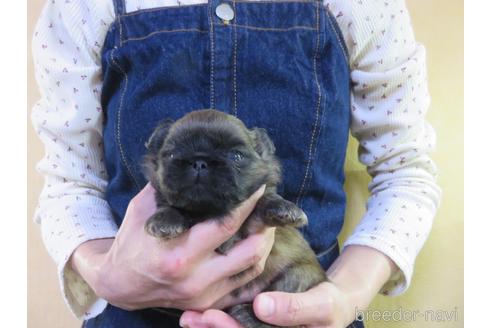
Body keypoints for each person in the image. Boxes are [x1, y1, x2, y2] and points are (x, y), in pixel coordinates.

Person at [31, 0, 441, 327]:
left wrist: (345, 296)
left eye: (229, 156)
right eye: (179, 157)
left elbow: (405, 170)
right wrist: (102, 272)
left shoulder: (367, 6)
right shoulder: (78, 8)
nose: (201, 167)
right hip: (135, 313)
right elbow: (70, 182)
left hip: (301, 299)